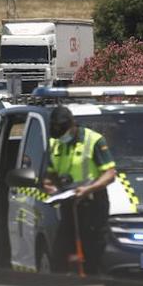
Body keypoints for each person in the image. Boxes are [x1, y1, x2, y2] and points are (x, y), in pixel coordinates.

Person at [42, 105, 117, 275]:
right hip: (68, 205)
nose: (61, 137)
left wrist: (88, 188)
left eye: (63, 132)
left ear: (72, 125)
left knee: (93, 256)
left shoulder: (94, 140)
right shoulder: (55, 143)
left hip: (92, 205)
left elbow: (110, 174)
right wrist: (48, 185)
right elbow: (50, 174)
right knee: (59, 257)